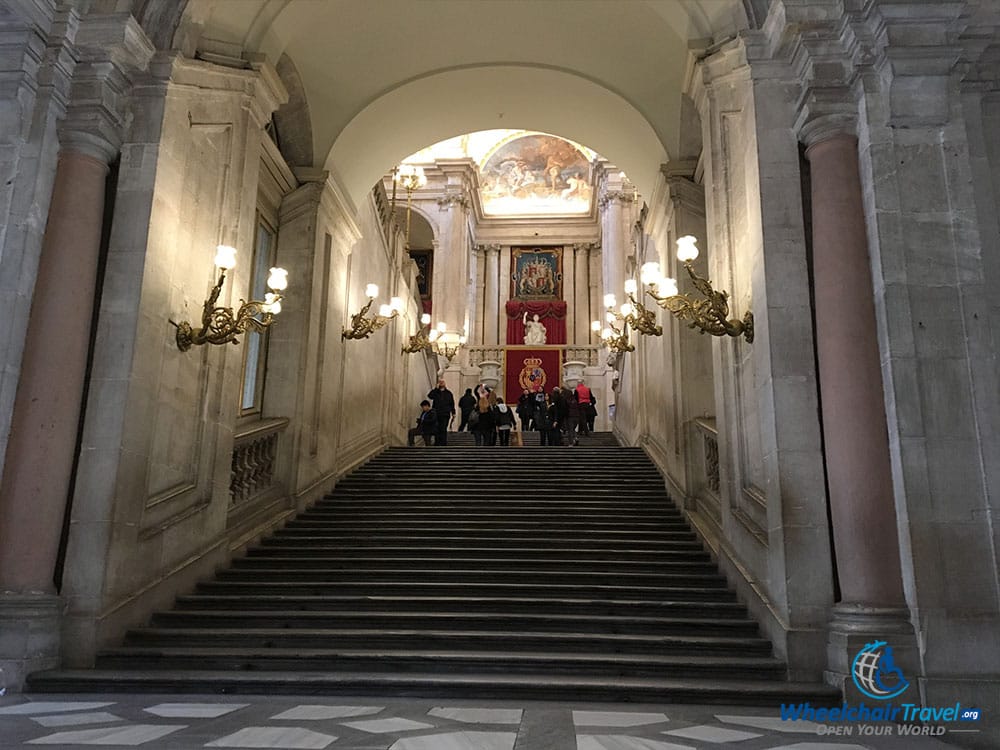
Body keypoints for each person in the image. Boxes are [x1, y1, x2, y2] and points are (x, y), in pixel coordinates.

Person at [427, 380, 455, 446]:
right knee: (436, 428)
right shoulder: (436, 392)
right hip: (436, 413)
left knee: (443, 428)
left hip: (445, 414)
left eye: (443, 382)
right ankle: (437, 443)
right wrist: (435, 388)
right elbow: (430, 396)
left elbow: (452, 404)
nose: (441, 383)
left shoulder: (449, 393)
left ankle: (443, 443)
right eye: (440, 382)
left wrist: (453, 412)